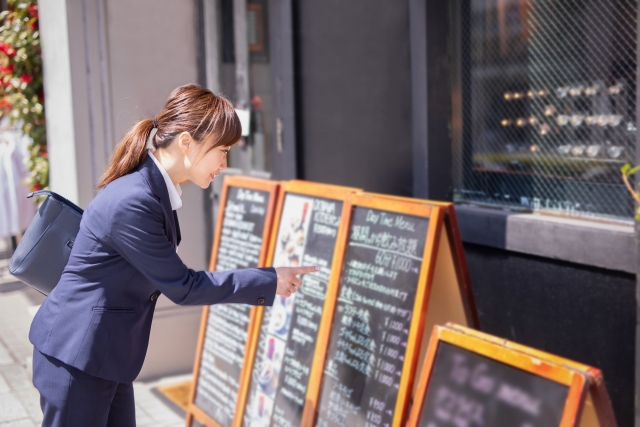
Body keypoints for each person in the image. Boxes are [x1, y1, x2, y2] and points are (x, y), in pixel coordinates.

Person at [28, 84, 317, 427]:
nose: (224, 164)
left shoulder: (153, 191)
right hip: (76, 356)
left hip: (104, 353)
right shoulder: (135, 200)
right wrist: (269, 280)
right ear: (186, 142)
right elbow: (183, 286)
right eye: (222, 150)